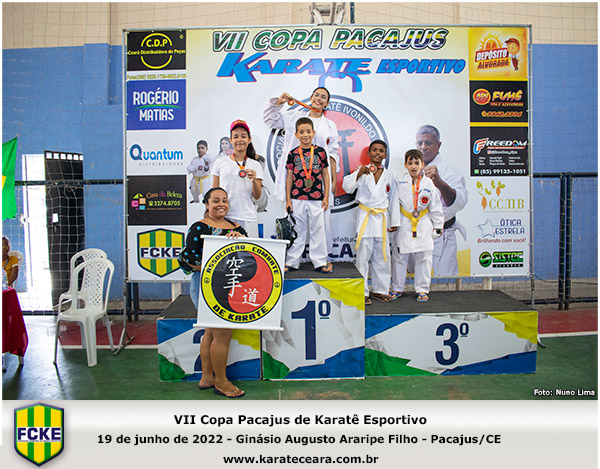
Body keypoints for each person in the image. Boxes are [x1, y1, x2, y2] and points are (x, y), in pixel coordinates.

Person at [178, 187, 247, 398]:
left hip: (230, 285)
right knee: (223, 333)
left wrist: (239, 240)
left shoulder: (237, 228)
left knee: (211, 332)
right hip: (207, 285)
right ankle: (222, 382)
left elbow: (248, 254)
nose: (221, 204)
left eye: (224, 200)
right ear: (206, 204)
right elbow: (187, 259)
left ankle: (207, 377)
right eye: (216, 200)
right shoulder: (199, 227)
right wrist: (212, 267)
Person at [264, 87, 339, 269]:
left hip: (318, 185)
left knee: (320, 226)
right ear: (311, 97)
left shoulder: (329, 125)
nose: (319, 98)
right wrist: (279, 102)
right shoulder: (294, 116)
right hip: (296, 183)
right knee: (295, 224)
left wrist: (333, 180)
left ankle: (320, 260)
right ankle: (292, 261)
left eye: (323, 97)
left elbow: (332, 153)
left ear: (327, 103)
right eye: (316, 95)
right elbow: (270, 119)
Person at [342, 140, 395, 305]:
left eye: (381, 151)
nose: (377, 153)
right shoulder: (362, 171)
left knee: (382, 256)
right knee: (363, 256)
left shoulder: (389, 175)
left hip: (382, 218)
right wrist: (358, 174)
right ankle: (362, 292)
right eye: (374, 150)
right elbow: (347, 187)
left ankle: (381, 290)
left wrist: (394, 221)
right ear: (368, 153)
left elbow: (393, 199)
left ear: (385, 155)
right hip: (366, 217)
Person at [389, 150, 444, 302]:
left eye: (416, 163)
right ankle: (397, 288)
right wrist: (393, 222)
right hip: (404, 221)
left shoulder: (428, 183)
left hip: (423, 222)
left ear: (422, 164)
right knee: (399, 257)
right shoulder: (399, 181)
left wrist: (438, 225)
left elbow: (436, 205)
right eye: (410, 163)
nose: (413, 166)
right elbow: (393, 203)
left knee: (424, 258)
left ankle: (422, 289)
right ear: (405, 165)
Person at [415, 125, 468, 276]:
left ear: (438, 145)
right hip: (416, 233)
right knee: (417, 277)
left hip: (441, 235)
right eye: (420, 143)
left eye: (428, 143)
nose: (423, 147)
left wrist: (439, 182)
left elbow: (460, 202)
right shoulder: (411, 168)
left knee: (446, 279)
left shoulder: (449, 170)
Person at [284, 117, 330, 273]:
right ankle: (292, 261)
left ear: (313, 133)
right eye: (301, 132)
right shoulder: (293, 154)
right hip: (297, 197)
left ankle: (320, 261)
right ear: (296, 134)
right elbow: (289, 177)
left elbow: (325, 174)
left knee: (318, 229)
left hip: (317, 198)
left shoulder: (320, 152)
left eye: (308, 131)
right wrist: (288, 199)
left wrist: (326, 196)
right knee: (298, 229)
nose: (305, 135)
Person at [211, 120, 263, 238]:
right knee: (225, 250)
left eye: (243, 136)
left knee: (250, 249)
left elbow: (257, 196)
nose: (240, 139)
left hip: (248, 217)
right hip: (225, 217)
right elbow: (214, 192)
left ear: (249, 140)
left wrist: (254, 181)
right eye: (236, 137)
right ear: (231, 140)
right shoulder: (220, 162)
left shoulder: (255, 164)